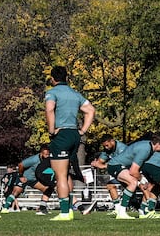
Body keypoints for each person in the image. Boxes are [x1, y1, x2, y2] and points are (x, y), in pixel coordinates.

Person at [44, 65, 95, 221]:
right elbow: (91, 110)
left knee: (60, 176)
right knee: (66, 175)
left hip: (62, 135)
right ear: (66, 77)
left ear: (53, 79)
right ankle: (72, 208)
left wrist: (52, 130)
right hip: (74, 134)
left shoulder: (51, 92)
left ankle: (64, 212)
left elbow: (49, 109)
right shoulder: (75, 93)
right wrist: (83, 130)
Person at [106, 134, 160, 219]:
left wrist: (144, 180)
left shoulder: (147, 146)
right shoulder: (146, 149)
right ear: (158, 144)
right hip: (115, 165)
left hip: (120, 165)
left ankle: (142, 211)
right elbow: (133, 171)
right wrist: (143, 180)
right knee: (133, 182)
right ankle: (121, 212)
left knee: (140, 185)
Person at [91, 136, 129, 205]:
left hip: (129, 172)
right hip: (119, 173)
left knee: (136, 190)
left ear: (112, 141)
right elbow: (100, 161)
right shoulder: (107, 150)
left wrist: (103, 166)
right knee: (110, 185)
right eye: (104, 146)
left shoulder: (122, 148)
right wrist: (95, 163)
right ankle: (117, 209)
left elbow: (121, 163)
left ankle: (146, 208)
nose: (106, 147)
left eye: (107, 145)